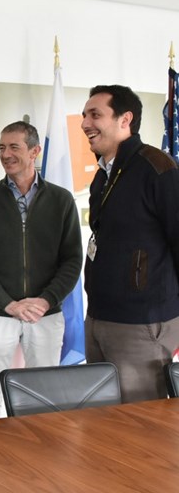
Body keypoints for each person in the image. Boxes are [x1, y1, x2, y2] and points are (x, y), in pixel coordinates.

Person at [0, 121, 81, 420]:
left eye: (14, 147)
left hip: (46, 313)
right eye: (2, 147)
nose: (5, 154)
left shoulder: (62, 200)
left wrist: (44, 301)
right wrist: (9, 304)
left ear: (35, 151)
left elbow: (72, 260)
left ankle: (39, 461)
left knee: (43, 395)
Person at [82, 85, 179, 402]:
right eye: (85, 115)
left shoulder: (157, 169)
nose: (85, 123)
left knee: (141, 428)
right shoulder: (102, 175)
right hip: (98, 318)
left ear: (126, 120)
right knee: (102, 424)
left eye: (95, 114)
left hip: (142, 324)